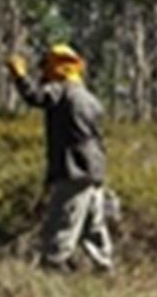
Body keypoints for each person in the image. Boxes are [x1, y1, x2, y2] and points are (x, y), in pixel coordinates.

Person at [6, 44, 113, 272]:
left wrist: (20, 77)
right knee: (93, 223)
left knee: (63, 219)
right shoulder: (89, 97)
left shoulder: (62, 91)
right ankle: (103, 265)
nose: (43, 73)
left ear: (56, 67)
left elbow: (36, 97)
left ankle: (54, 266)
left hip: (74, 168)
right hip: (95, 169)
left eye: (45, 67)